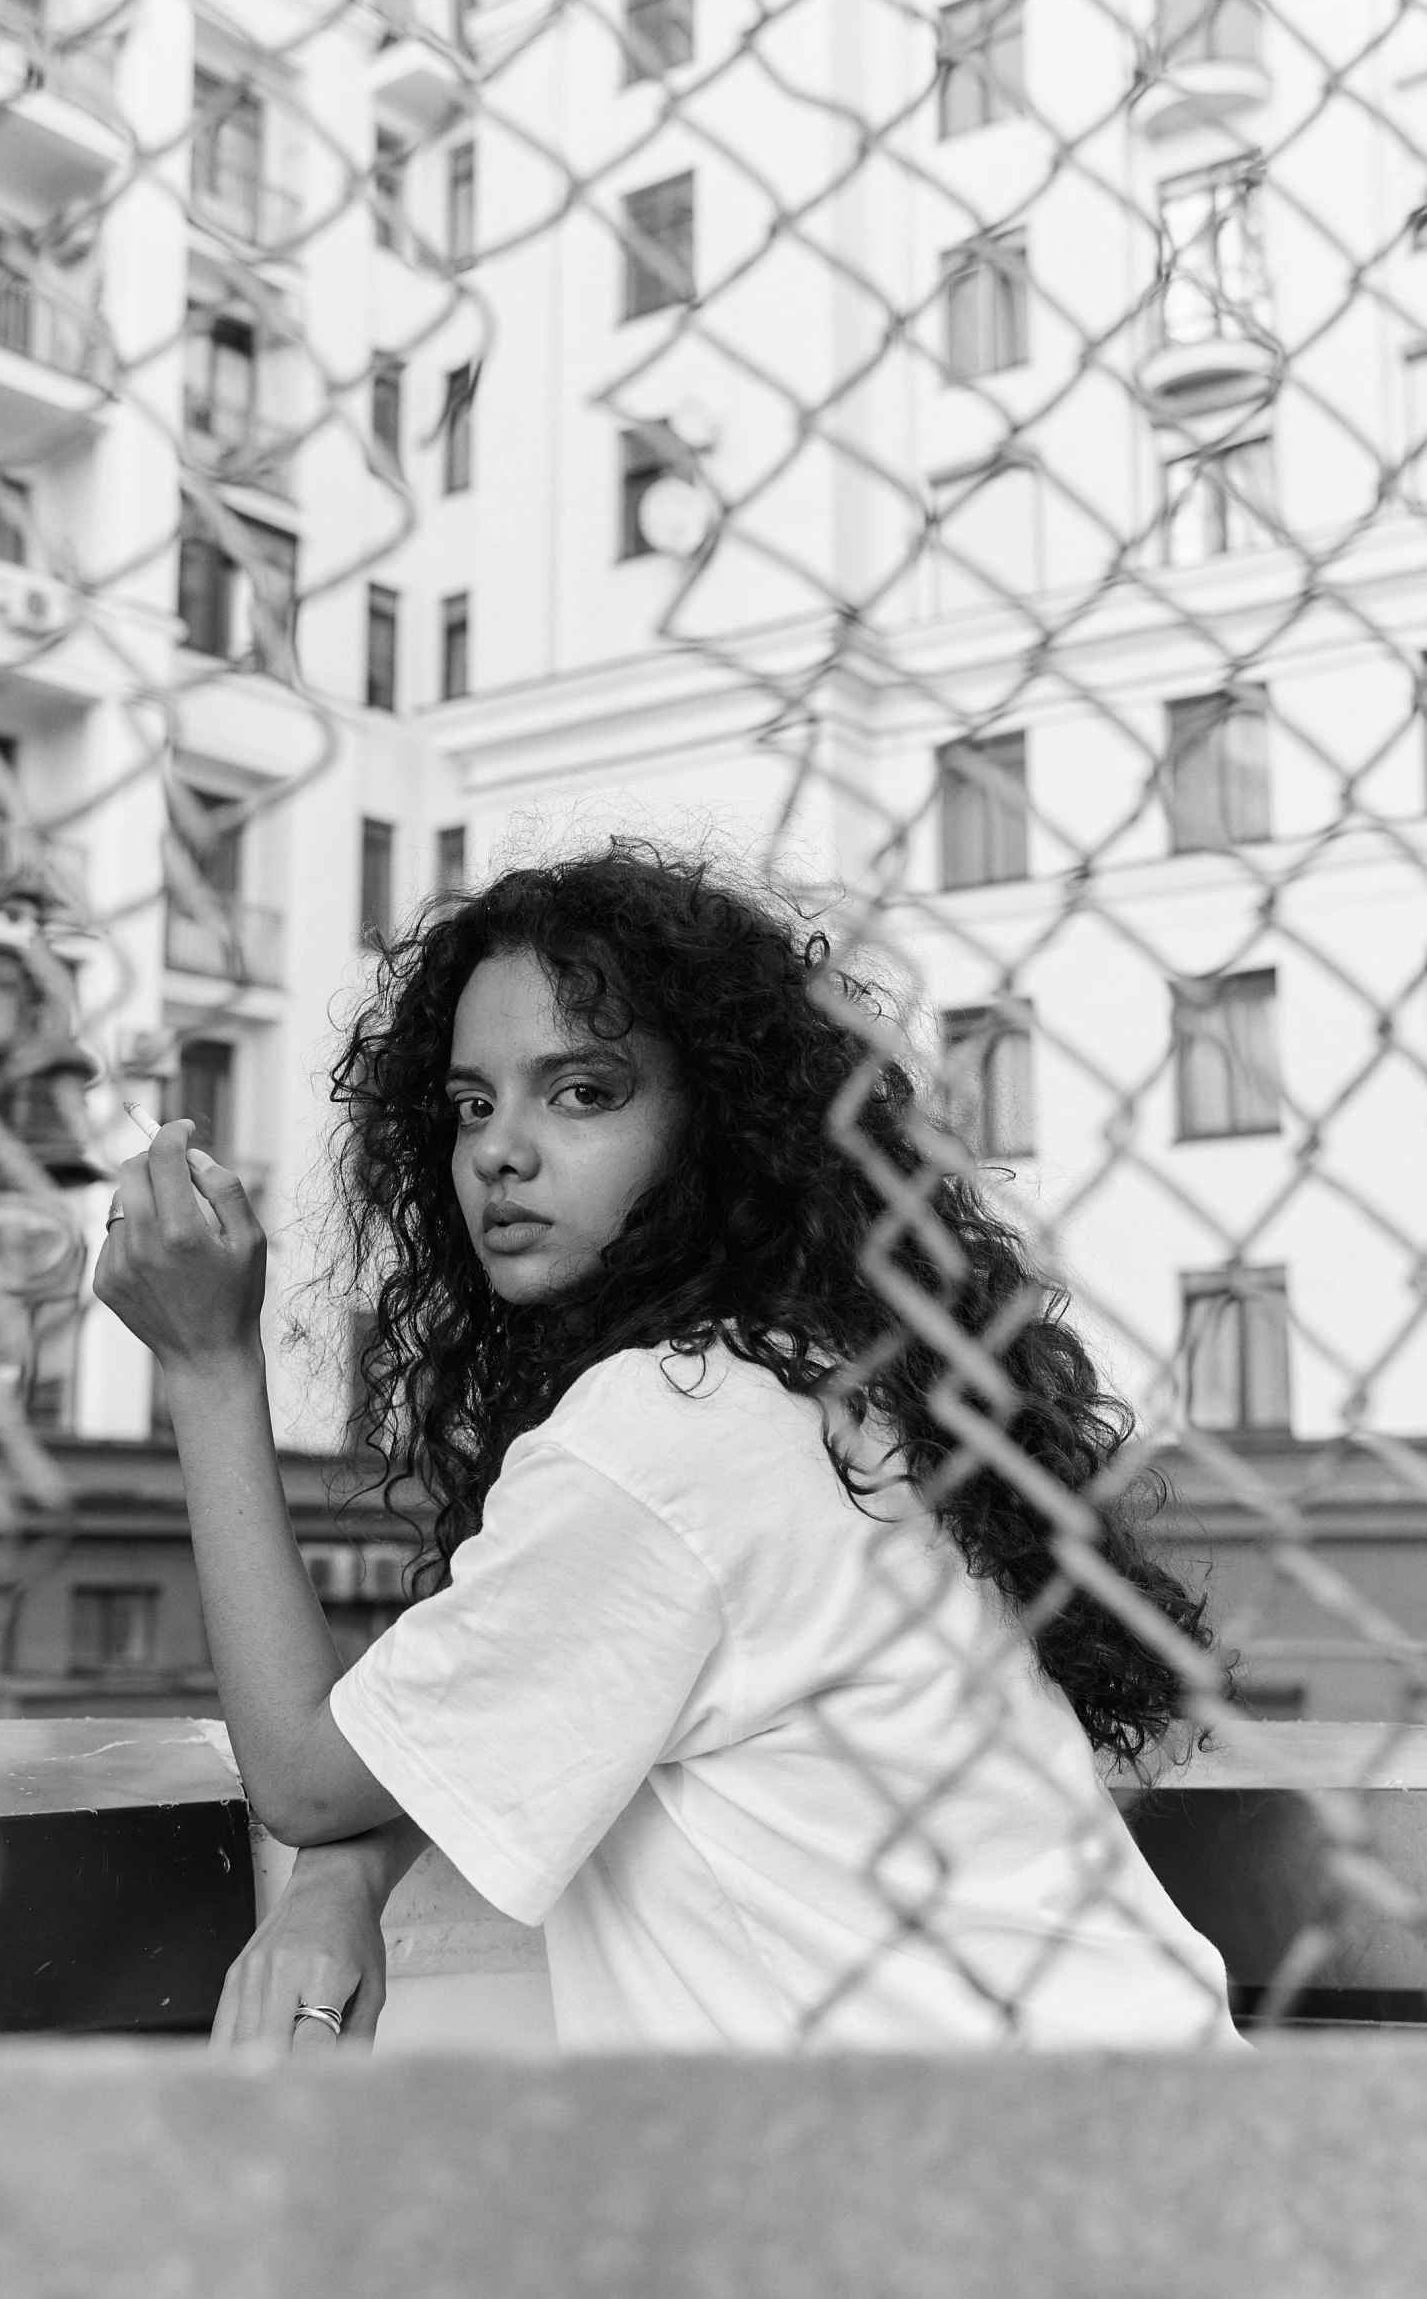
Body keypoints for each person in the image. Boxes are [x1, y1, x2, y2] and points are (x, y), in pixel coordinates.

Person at [95, 839, 1243, 2055]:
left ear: (720, 1125)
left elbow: (306, 1777)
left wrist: (208, 1362)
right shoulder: (811, 1383)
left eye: (583, 1090)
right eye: (472, 1103)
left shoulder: (669, 1431)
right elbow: (479, 1732)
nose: (499, 1149)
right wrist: (344, 1877)